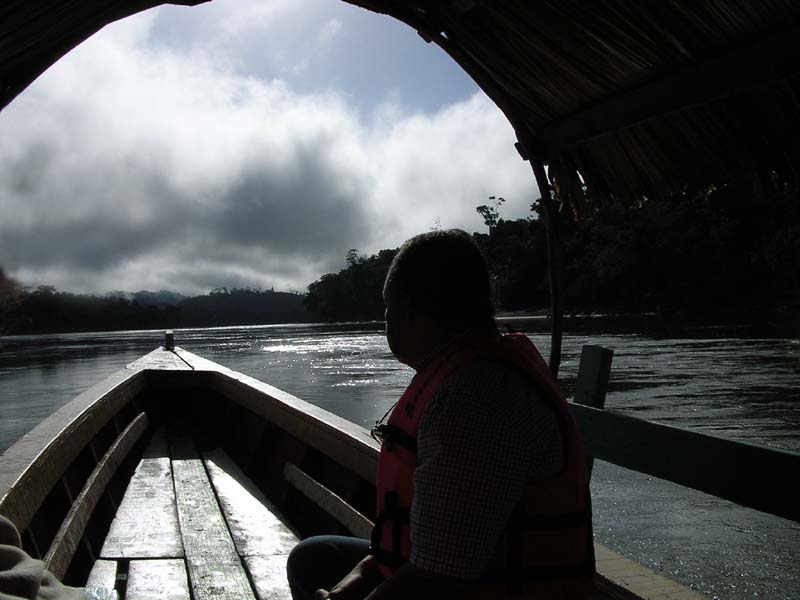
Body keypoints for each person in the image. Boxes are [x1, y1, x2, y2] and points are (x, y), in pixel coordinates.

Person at [287, 229, 595, 599]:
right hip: (453, 574)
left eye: (389, 307)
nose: (385, 320)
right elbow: (395, 557)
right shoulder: (460, 371)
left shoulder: (475, 398)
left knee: (314, 562)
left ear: (415, 313)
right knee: (315, 558)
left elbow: (438, 581)